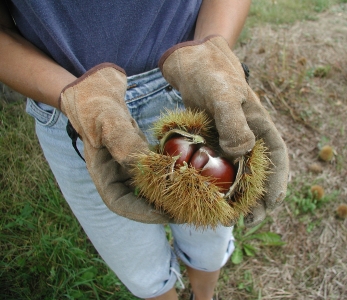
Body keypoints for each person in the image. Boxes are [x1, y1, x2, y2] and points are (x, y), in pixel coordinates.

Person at [0, 1, 289, 299]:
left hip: (187, 83)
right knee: (138, 265)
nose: (201, 159)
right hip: (75, 109)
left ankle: (204, 296)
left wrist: (210, 55)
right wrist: (73, 98)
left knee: (210, 244)